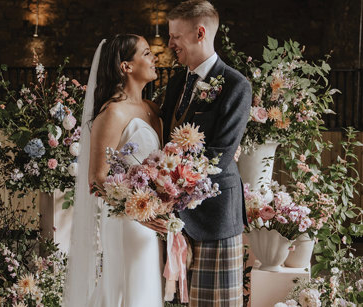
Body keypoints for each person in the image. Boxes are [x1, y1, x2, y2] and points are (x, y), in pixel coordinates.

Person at [157, 1, 251, 305]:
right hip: (175, 218)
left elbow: (220, 155)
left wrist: (169, 182)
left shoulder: (236, 85)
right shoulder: (176, 84)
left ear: (200, 33)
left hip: (215, 217)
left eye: (175, 36)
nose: (169, 43)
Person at [63, 34, 164, 307]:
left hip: (153, 216)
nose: (154, 58)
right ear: (126, 66)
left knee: (146, 288)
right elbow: (96, 179)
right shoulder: (113, 113)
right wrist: (138, 213)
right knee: (128, 290)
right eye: (146, 53)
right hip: (128, 221)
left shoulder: (153, 109)